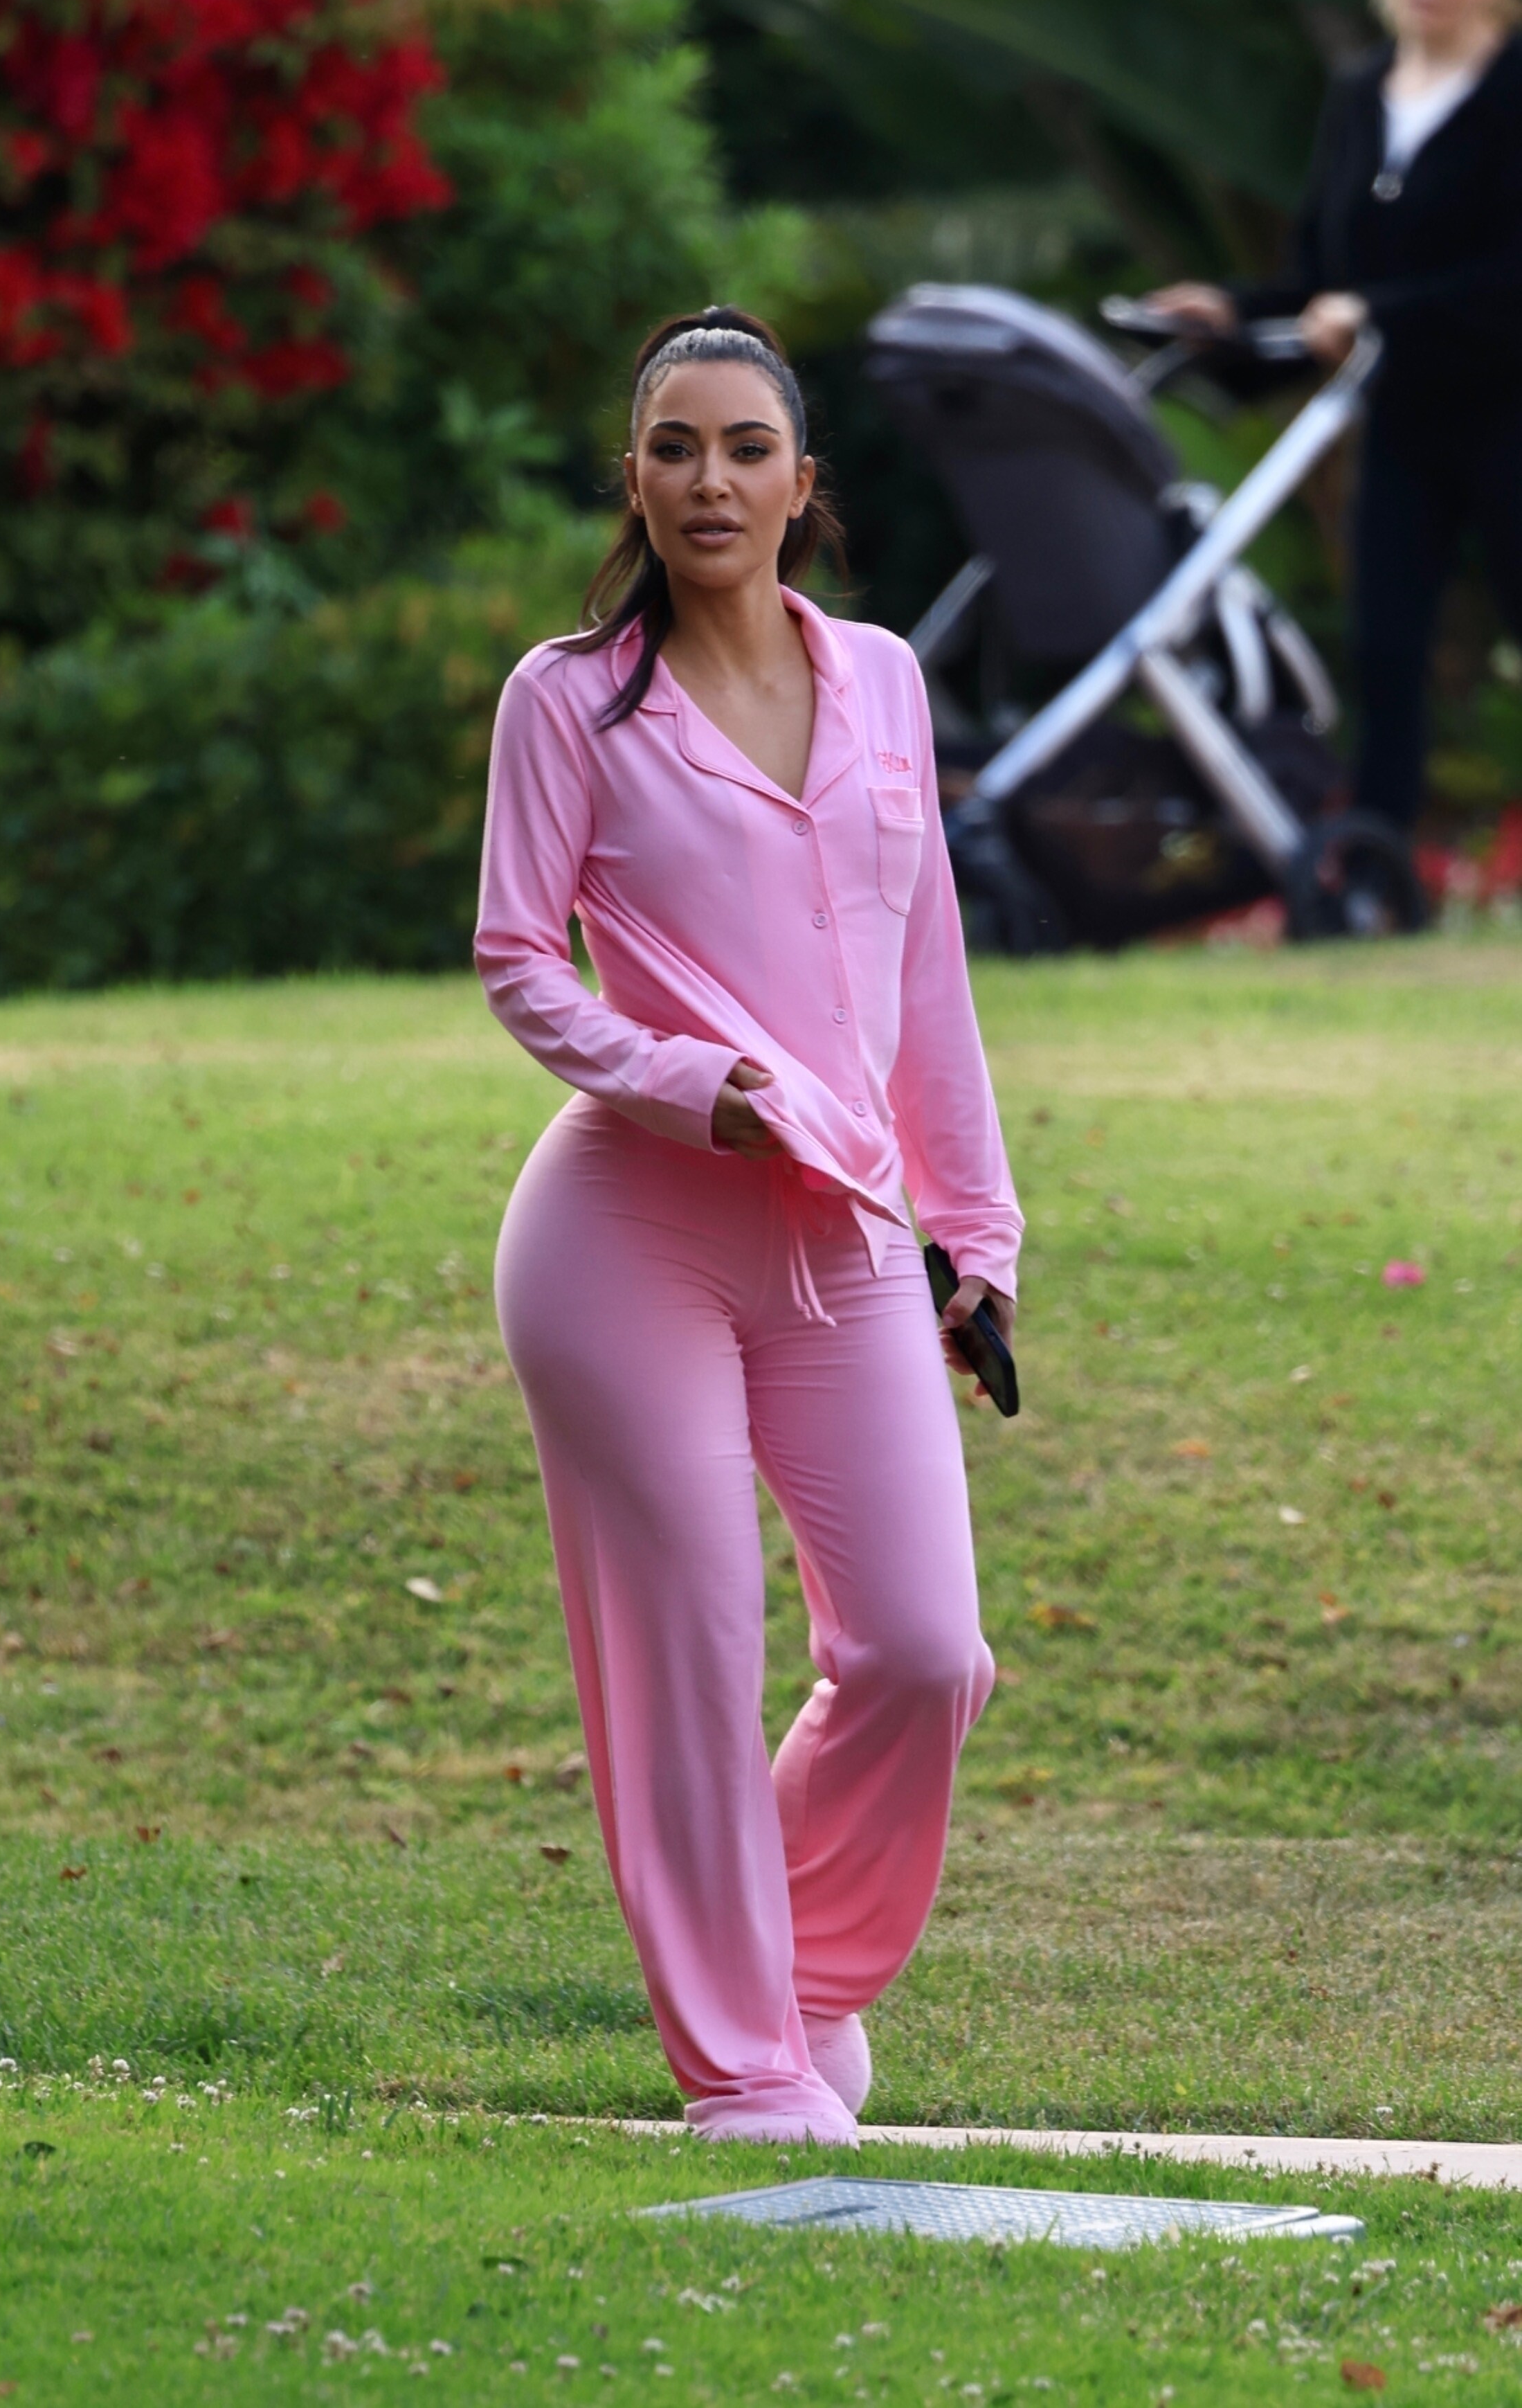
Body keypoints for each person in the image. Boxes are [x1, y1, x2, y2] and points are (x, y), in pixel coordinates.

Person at [474, 307, 1022, 2145]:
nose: (709, 479)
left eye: (745, 447)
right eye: (673, 447)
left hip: (846, 1233)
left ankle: (796, 1981)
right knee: (695, 1656)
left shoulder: (883, 680)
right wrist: (677, 1078)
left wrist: (974, 1233)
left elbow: (921, 971)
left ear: (802, 484)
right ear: (633, 482)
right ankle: (741, 2067)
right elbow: (517, 961)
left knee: (925, 1652)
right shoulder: (570, 698)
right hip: (625, 1236)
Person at [1150, 0, 1522, 836]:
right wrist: (1229, 314)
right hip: (1399, 421)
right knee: (1383, 650)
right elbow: (1321, 283)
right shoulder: (1360, 94)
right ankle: (1375, 866)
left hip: (1506, 415)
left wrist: (1378, 313)